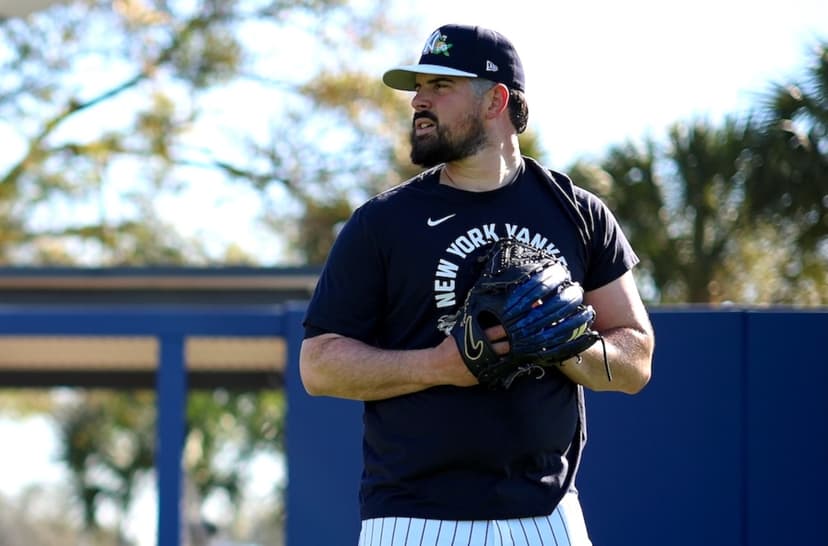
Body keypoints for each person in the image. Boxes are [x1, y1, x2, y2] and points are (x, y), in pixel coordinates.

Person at [299, 23, 655, 546]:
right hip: (412, 519)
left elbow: (637, 357)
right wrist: (439, 365)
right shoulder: (381, 223)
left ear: (496, 100)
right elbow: (318, 365)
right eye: (418, 87)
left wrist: (565, 346)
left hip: (548, 516)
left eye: (440, 86)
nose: (418, 100)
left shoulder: (578, 214)